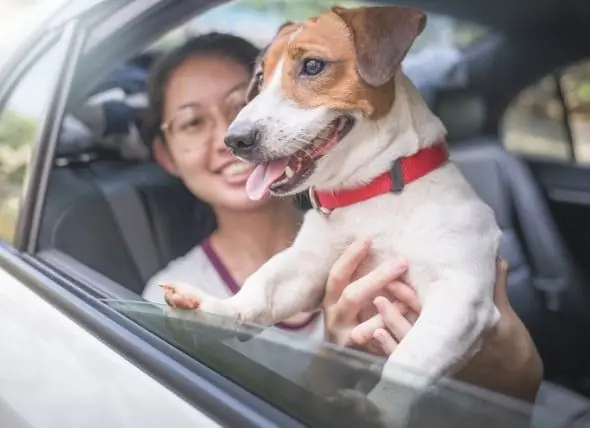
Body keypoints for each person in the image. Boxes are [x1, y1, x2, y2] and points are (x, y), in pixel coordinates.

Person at [141, 32, 542, 401]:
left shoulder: (427, 210)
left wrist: (505, 365)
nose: (234, 134)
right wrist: (335, 358)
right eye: (192, 122)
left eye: (241, 101)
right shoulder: (171, 296)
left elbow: (511, 380)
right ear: (164, 155)